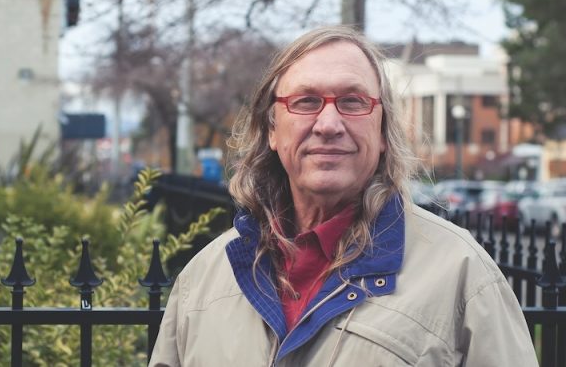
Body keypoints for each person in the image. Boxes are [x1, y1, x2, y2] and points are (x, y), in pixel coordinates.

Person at [149, 26, 537, 366]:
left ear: (384, 130)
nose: (329, 124)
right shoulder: (203, 280)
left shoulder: (463, 275)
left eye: (353, 102)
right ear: (272, 129)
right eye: (306, 102)